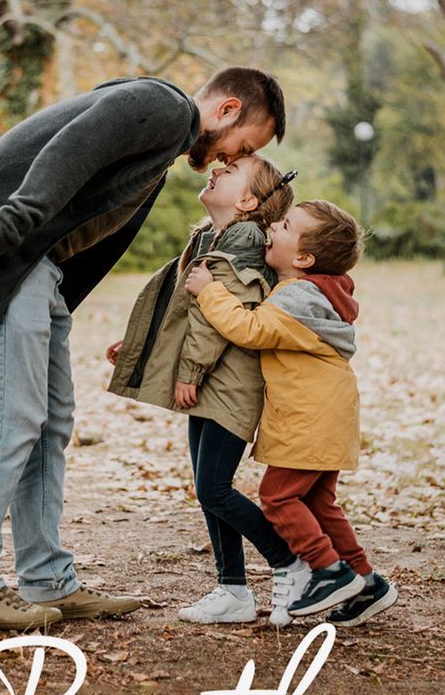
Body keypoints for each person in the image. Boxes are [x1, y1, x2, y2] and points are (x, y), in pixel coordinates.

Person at [0, 66, 287, 629]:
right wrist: (7, 229)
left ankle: (47, 579)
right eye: (243, 146)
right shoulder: (164, 106)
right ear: (229, 110)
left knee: (50, 424)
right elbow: (69, 150)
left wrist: (56, 301)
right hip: (4, 255)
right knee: (11, 420)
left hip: (36, 272)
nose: (225, 160)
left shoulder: (160, 144)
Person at [107, 154, 312, 623]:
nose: (215, 169)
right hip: (211, 383)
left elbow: (217, 317)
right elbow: (183, 309)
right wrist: (143, 346)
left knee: (215, 488)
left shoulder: (244, 241)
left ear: (246, 201)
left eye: (229, 172)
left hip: (230, 382)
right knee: (208, 489)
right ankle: (233, 590)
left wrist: (191, 372)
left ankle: (290, 562)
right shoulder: (208, 236)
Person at [185, 199, 398, 627]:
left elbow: (249, 329)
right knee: (320, 504)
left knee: (278, 497)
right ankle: (366, 583)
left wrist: (209, 290)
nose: (272, 228)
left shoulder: (297, 297)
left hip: (309, 418)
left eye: (283, 226)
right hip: (329, 416)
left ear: (303, 258)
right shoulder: (315, 292)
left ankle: (327, 571)